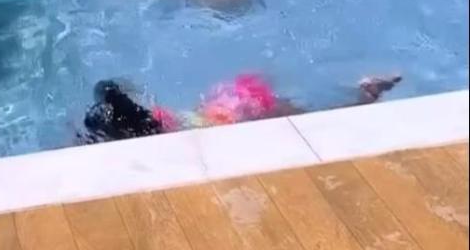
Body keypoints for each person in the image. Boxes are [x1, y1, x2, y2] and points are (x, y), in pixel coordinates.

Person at [79, 74, 403, 145]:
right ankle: (366, 94)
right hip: (208, 113)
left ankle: (366, 94)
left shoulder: (158, 131)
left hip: (214, 116)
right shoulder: (158, 122)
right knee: (310, 115)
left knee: (312, 120)